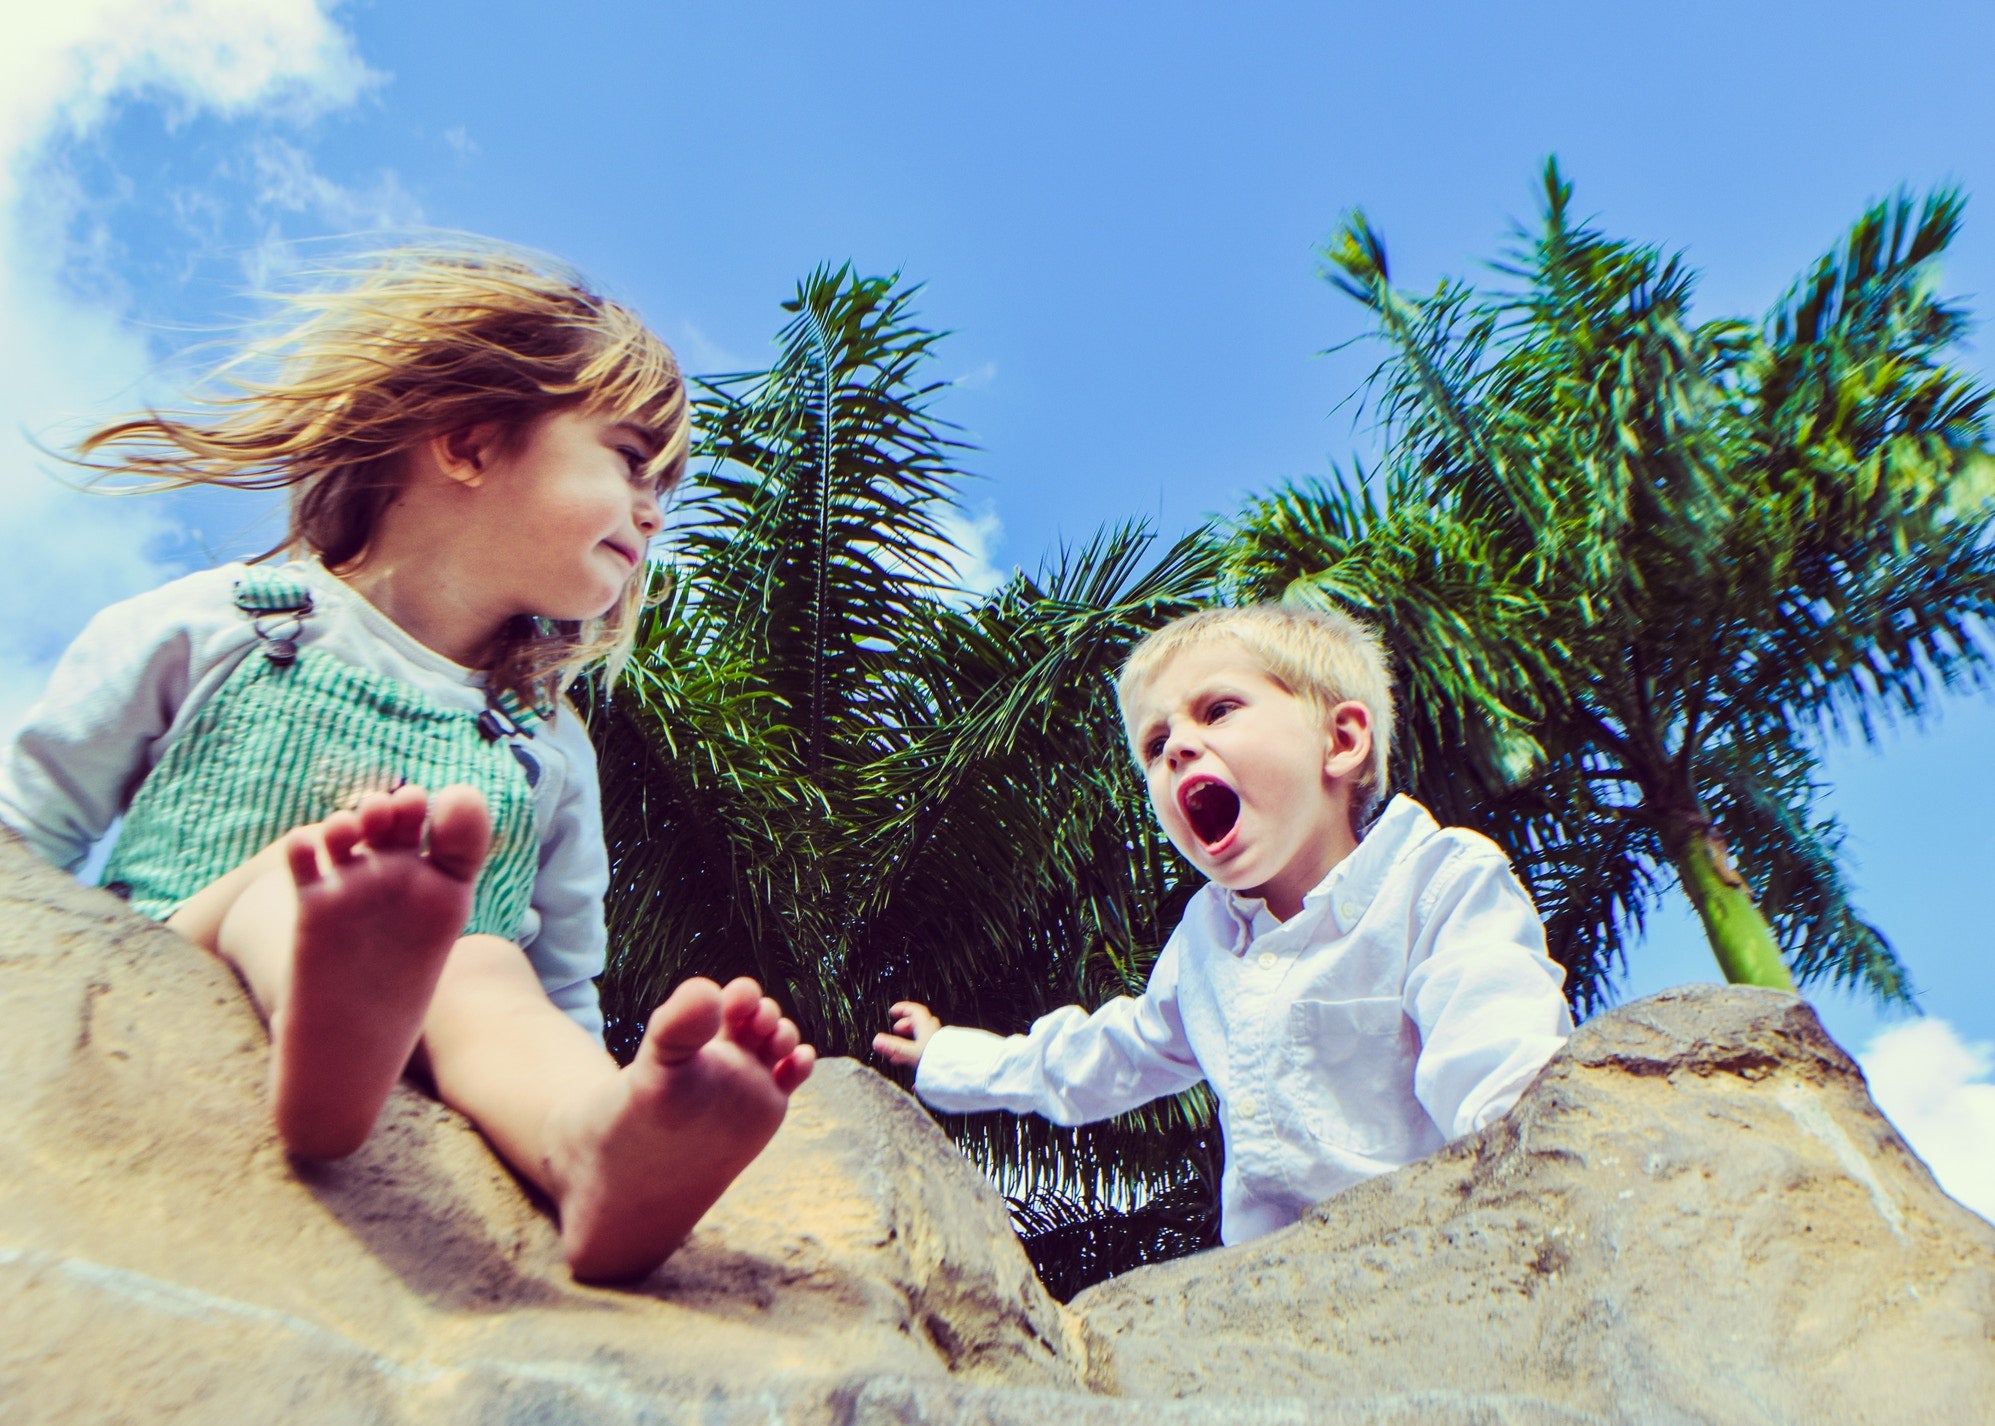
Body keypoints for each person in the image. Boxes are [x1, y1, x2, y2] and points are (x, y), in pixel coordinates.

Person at [0, 242, 814, 1284]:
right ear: (471, 440)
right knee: (306, 885)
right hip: (184, 958)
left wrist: (596, 1087)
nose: (655, 509)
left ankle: (587, 1153)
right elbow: (30, 837)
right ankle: (328, 1014)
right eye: (627, 458)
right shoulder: (221, 624)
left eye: (665, 484)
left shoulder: (547, 746)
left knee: (483, 965)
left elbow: (560, 988)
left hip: (437, 1031)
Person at [874, 603, 1571, 1246]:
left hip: (1430, 1257)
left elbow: (1503, 1069)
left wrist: (1536, 1204)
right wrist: (949, 1057)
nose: (1177, 745)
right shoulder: (1202, 946)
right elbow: (1104, 1055)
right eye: (1154, 744)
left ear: (1341, 738)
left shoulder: (1437, 883)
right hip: (1268, 1295)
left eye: (1217, 709)